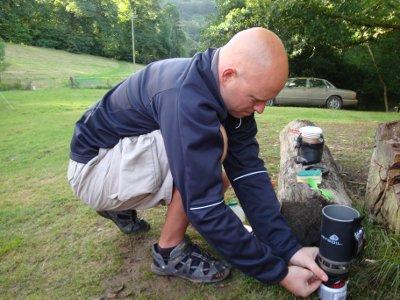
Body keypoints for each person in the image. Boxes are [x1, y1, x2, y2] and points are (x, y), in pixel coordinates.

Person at [68, 27, 328, 297]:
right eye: (255, 98)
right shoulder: (187, 99)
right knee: (215, 143)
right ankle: (169, 252)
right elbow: (204, 206)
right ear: (228, 75)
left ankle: (121, 205)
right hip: (94, 171)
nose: (260, 108)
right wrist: (279, 272)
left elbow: (248, 172)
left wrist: (289, 249)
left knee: (221, 163)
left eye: (266, 100)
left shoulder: (221, 90)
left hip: (119, 159)